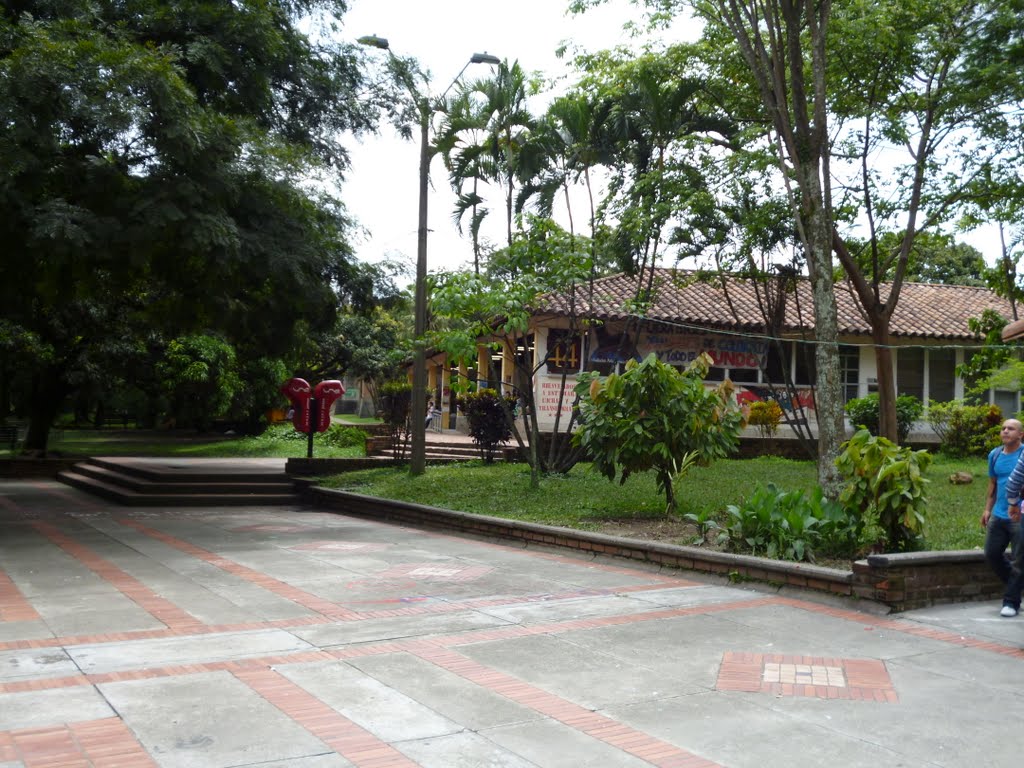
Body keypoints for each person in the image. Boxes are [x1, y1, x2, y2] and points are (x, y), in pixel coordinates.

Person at [989, 419, 1024, 616]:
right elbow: (993, 484)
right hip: (999, 513)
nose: (1005, 431)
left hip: (1020, 514)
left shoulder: (1022, 454)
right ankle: (1016, 586)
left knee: (1020, 558)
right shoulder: (994, 455)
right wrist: (987, 509)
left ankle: (1011, 601)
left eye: (1011, 429)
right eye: (1003, 428)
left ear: (1020, 434)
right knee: (992, 554)